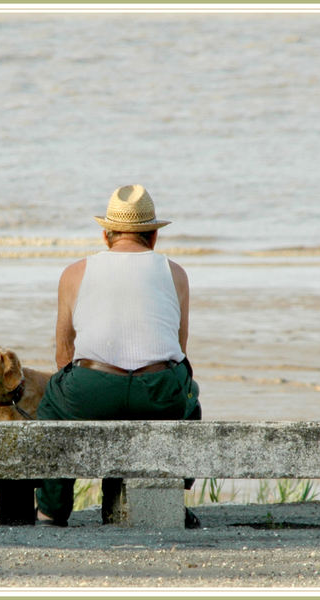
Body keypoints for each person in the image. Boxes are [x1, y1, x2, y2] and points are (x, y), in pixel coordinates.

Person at [35, 184, 202, 528]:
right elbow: (179, 350)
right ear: (153, 237)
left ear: (106, 235)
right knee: (190, 397)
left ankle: (52, 510)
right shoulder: (176, 273)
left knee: (52, 402)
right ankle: (171, 491)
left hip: (91, 388)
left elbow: (64, 355)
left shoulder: (74, 273)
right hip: (157, 392)